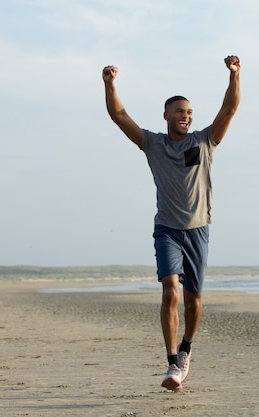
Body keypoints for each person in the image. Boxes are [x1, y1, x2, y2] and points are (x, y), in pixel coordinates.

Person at [102, 55, 241, 391]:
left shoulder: (204, 141)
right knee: (170, 291)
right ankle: (171, 363)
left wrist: (235, 75)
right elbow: (119, 116)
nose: (186, 117)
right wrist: (109, 84)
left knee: (193, 299)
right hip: (166, 229)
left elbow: (228, 110)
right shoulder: (153, 144)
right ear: (166, 115)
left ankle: (187, 348)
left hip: (198, 230)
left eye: (190, 113)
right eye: (180, 112)